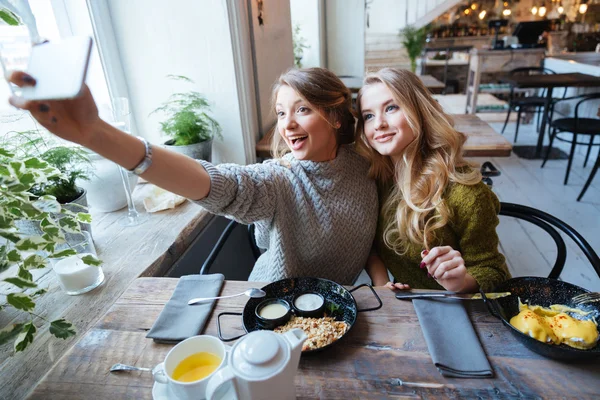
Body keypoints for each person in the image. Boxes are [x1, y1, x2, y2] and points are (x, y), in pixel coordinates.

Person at [7, 67, 378, 284]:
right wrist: (97, 134)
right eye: (281, 113)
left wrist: (382, 285)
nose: (288, 124)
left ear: (334, 116)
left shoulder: (367, 168)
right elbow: (218, 184)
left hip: (337, 310)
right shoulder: (279, 180)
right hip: (275, 309)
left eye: (302, 109)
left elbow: (368, 237)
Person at [356, 68, 510, 293]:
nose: (378, 124)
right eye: (368, 115)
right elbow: (371, 247)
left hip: (460, 309)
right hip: (408, 309)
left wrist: (460, 282)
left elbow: (494, 272)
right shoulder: (377, 180)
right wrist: (383, 285)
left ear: (418, 110)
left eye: (391, 108)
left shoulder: (466, 193)